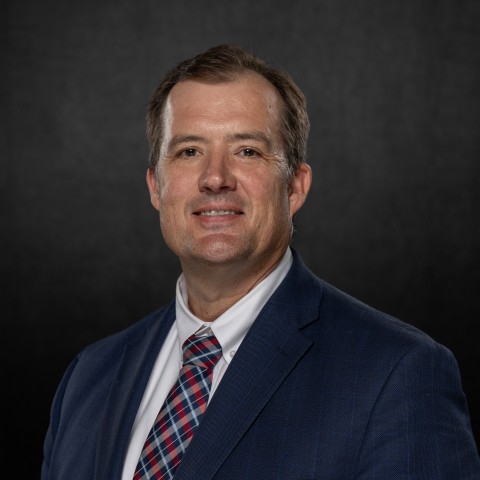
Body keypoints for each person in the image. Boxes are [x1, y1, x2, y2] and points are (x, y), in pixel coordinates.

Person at [42, 44, 480, 480]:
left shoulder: (396, 374)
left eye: (247, 151)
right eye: (189, 151)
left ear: (294, 187)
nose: (215, 177)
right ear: (156, 187)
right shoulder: (90, 376)